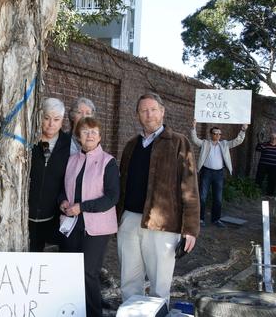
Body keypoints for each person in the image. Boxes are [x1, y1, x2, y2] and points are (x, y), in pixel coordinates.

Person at [117, 93, 199, 303]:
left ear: (162, 112)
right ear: (137, 115)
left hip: (162, 225)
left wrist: (190, 228)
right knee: (129, 282)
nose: (149, 114)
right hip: (129, 221)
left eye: (153, 109)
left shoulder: (179, 143)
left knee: (159, 285)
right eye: (144, 110)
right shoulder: (131, 145)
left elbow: (190, 187)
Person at [59, 117, 119, 317]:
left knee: (88, 272)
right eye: (85, 132)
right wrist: (63, 202)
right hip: (71, 224)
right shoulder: (71, 160)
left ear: (100, 136)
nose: (90, 135)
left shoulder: (108, 162)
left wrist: (82, 207)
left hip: (97, 227)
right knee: (70, 272)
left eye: (94, 131)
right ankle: (73, 312)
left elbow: (112, 197)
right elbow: (62, 189)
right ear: (78, 137)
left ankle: (94, 314)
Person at [28, 98, 71, 252]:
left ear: (62, 121)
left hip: (54, 213)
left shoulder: (69, 145)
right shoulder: (29, 138)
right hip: (26, 212)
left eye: (56, 119)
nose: (51, 124)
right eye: (47, 118)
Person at [191, 120, 248, 227]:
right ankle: (200, 219)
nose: (217, 135)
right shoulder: (205, 143)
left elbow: (237, 141)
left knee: (218, 198)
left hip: (219, 174)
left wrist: (243, 130)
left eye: (219, 134)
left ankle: (216, 219)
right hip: (206, 172)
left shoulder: (224, 144)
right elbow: (194, 139)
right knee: (202, 196)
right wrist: (194, 127)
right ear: (211, 134)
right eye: (215, 133)